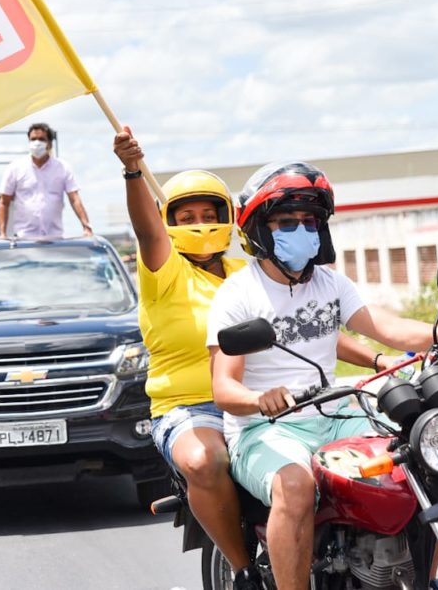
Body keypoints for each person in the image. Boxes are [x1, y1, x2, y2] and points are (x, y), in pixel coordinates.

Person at [114, 131, 404, 590]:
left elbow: (310, 330)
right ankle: (242, 566)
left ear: (231, 219)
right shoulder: (164, 271)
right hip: (193, 406)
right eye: (186, 216)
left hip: (276, 399)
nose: (200, 222)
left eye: (210, 214)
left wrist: (377, 359)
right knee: (206, 460)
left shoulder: (251, 271)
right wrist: (133, 171)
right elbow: (147, 229)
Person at [208, 161, 438, 590]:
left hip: (336, 416)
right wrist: (259, 399)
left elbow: (385, 327)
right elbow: (224, 388)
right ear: (260, 230)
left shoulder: (331, 285)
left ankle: (420, 578)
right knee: (295, 487)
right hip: (265, 429)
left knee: (434, 465)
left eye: (309, 221)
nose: (301, 230)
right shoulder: (237, 295)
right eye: (287, 222)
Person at [0, 123, 93, 239]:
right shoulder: (15, 168)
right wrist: (2, 233)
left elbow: (74, 199)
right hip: (24, 238)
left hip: (54, 237)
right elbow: (4, 202)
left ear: (50, 143)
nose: (36, 143)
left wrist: (86, 226)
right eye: (33, 139)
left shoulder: (63, 168)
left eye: (41, 139)